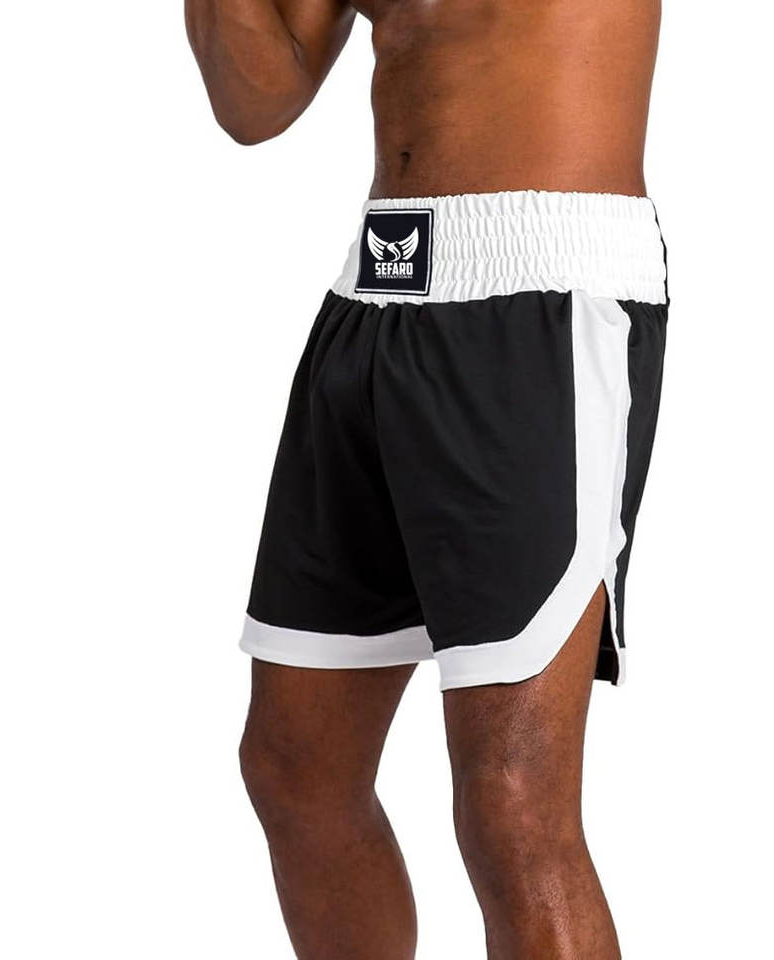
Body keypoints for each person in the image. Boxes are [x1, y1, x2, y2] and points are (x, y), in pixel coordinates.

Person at [186, 1, 667, 957]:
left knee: (513, 808)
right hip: (378, 287)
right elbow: (257, 100)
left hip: (537, 290)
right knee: (296, 770)